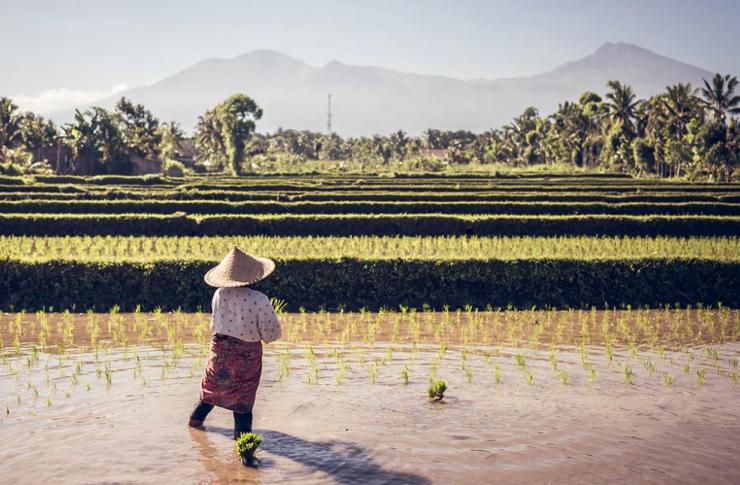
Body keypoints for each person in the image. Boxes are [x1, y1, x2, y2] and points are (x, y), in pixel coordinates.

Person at [188, 247, 281, 443]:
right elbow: (271, 333)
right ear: (252, 276)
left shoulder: (219, 294)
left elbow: (215, 324)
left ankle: (193, 427)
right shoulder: (259, 299)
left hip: (220, 351)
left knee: (209, 393)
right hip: (246, 356)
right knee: (243, 403)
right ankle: (245, 453)